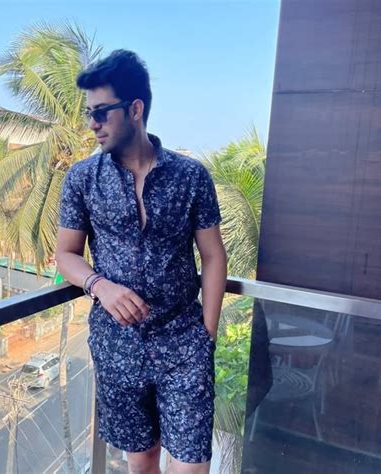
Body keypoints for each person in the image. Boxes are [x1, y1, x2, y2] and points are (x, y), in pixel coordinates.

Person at [56, 49, 227, 474]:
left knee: (191, 467)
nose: (92, 124)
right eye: (89, 114)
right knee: (142, 462)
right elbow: (65, 254)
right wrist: (100, 286)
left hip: (184, 345)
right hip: (118, 347)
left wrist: (206, 334)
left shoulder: (191, 176)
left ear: (135, 109)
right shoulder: (82, 179)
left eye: (101, 113)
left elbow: (212, 255)